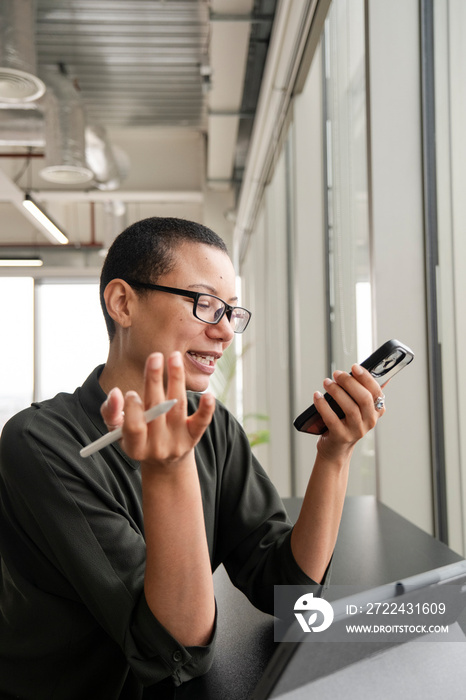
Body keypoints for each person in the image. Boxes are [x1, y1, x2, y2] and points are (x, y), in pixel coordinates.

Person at [0, 217, 385, 699]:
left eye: (231, 312)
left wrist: (334, 455)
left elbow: (287, 592)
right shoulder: (40, 442)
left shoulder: (213, 424)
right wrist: (170, 471)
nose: (225, 331)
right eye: (205, 304)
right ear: (123, 302)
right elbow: (174, 648)